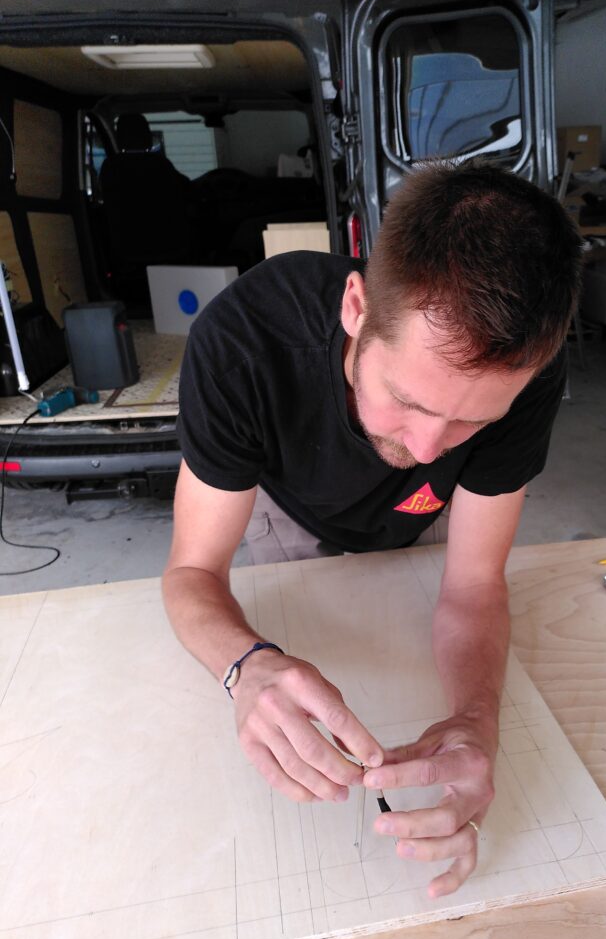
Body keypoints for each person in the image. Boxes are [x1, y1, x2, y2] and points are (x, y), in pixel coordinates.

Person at [162, 158, 582, 897]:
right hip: (288, 508)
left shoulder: (527, 373)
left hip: (421, 525)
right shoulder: (243, 342)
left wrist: (477, 721)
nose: (428, 449)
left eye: (472, 422)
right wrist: (245, 667)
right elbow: (193, 573)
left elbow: (474, 585)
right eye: (408, 400)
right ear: (355, 308)